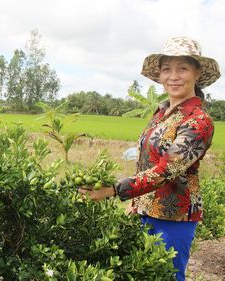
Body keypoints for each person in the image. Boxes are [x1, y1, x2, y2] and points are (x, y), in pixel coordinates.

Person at [79, 37, 220, 281]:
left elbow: (167, 170)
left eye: (182, 68)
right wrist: (137, 204)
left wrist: (113, 190)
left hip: (174, 217)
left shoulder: (198, 121)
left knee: (167, 276)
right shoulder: (160, 114)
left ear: (197, 73)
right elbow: (146, 162)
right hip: (145, 211)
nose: (173, 76)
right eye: (167, 69)